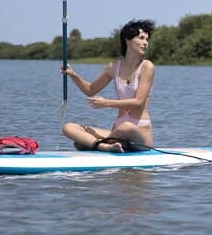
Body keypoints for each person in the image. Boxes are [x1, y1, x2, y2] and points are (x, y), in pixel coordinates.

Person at [61, 19, 156, 152]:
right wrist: (73, 74)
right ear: (127, 40)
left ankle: (97, 144)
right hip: (117, 131)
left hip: (140, 135)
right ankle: (104, 145)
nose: (145, 43)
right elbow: (90, 90)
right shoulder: (113, 67)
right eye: (141, 38)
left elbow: (138, 102)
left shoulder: (147, 67)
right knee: (69, 127)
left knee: (125, 127)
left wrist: (107, 103)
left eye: (147, 39)